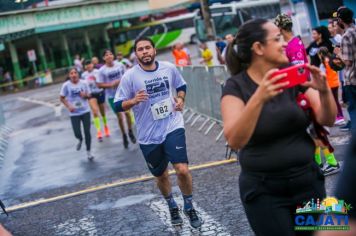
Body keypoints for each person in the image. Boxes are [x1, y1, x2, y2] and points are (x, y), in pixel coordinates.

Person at [221, 19, 337, 235]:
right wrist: (259, 98)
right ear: (258, 48)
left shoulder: (291, 74)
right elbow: (235, 139)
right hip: (265, 192)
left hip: (308, 183)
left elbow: (327, 119)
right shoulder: (236, 86)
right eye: (277, 39)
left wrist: (324, 90)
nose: (284, 43)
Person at [114, 37, 202, 228]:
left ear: (154, 50)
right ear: (136, 54)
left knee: (182, 169)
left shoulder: (168, 68)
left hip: (172, 125)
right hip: (148, 135)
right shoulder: (130, 76)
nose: (144, 52)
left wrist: (180, 99)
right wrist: (133, 101)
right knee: (161, 175)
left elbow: (181, 85)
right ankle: (171, 205)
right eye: (140, 49)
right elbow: (116, 105)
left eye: (147, 48)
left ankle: (188, 206)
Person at [96, 49, 136, 148]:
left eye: (110, 54)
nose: (109, 56)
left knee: (127, 113)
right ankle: (124, 135)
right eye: (106, 55)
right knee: (119, 117)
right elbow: (99, 84)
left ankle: (130, 130)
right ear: (103, 58)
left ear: (113, 56)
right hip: (112, 96)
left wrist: (122, 82)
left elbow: (127, 76)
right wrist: (110, 85)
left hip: (124, 93)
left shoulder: (120, 65)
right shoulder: (102, 71)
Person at [60, 68, 94, 160]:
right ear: (69, 75)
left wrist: (85, 95)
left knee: (87, 132)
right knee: (77, 133)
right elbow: (62, 98)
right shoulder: (66, 85)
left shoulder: (84, 83)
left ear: (78, 74)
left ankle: (88, 152)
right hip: (74, 113)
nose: (74, 75)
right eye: (71, 73)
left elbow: (90, 95)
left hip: (85, 111)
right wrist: (69, 106)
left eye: (75, 73)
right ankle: (80, 139)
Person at [336, 7, 356, 133]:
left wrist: (338, 54)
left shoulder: (346, 35)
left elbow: (348, 61)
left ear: (340, 20)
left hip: (353, 78)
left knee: (353, 109)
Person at [81, 60, 110, 141]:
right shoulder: (83, 75)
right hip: (91, 95)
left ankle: (105, 126)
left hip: (100, 92)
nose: (88, 66)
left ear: (92, 65)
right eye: (86, 65)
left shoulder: (98, 72)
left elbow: (103, 81)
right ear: (85, 67)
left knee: (102, 112)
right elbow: (82, 85)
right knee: (94, 111)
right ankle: (99, 131)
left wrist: (97, 80)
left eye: (89, 64)